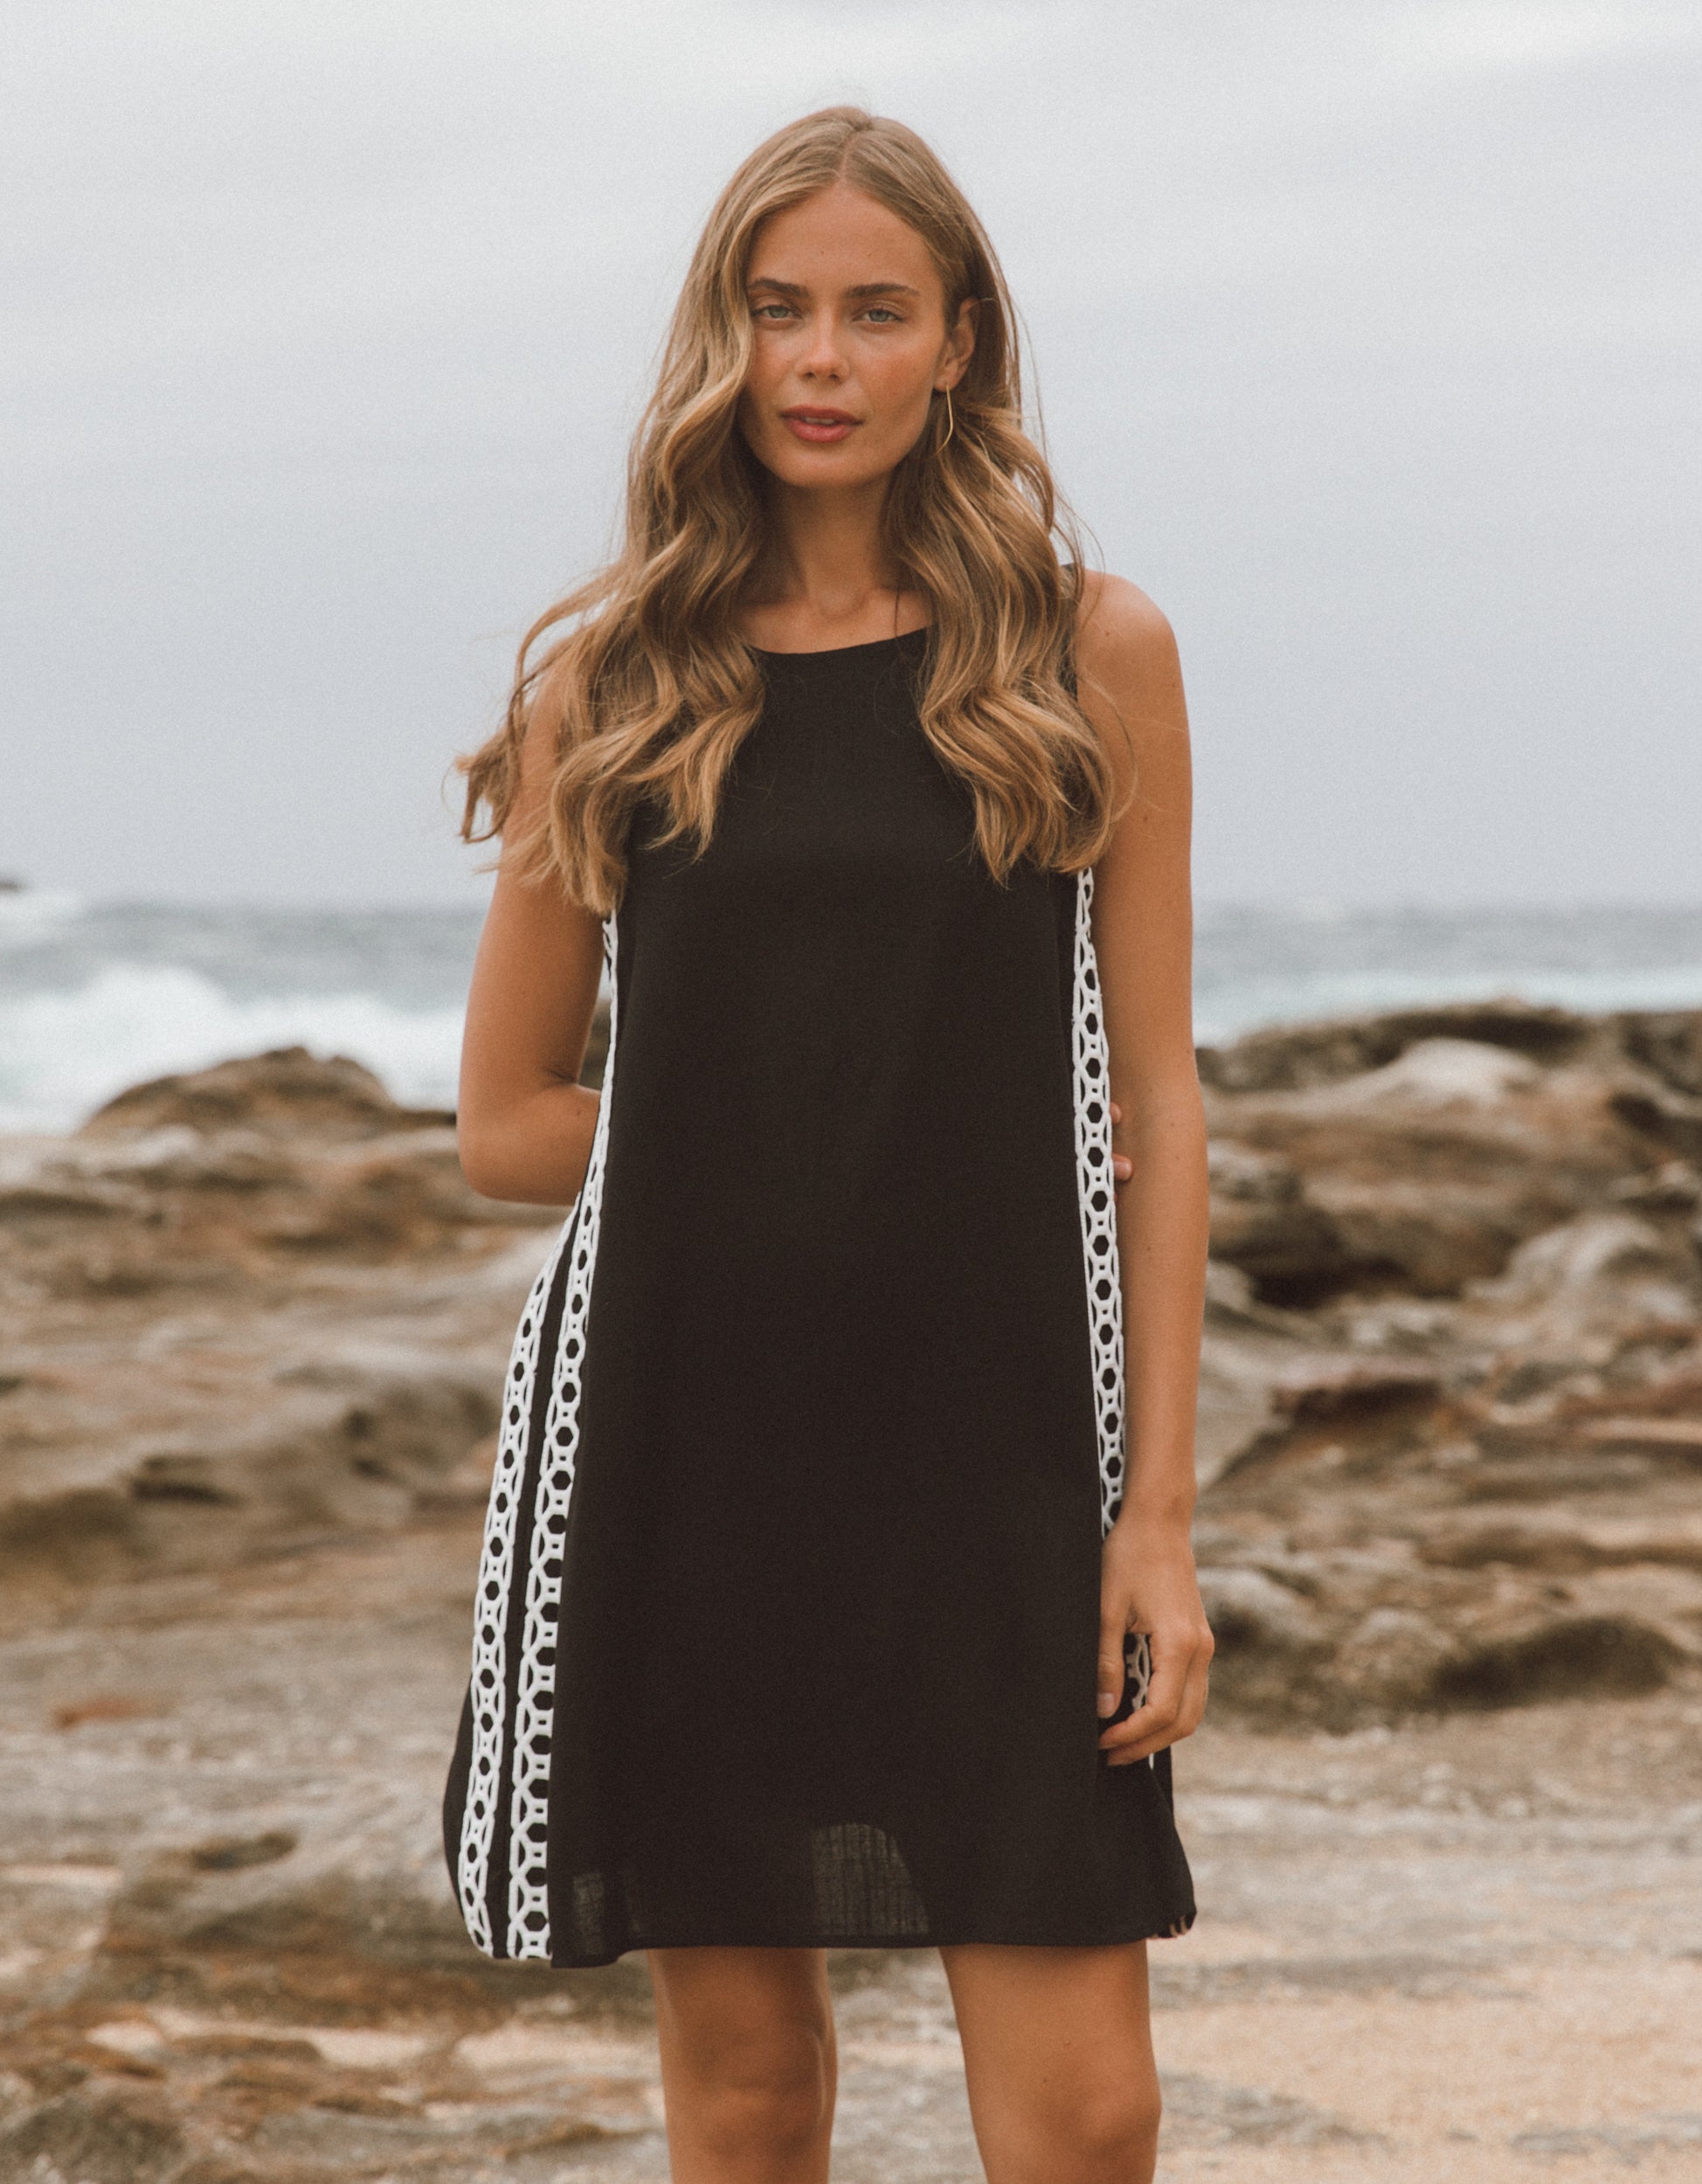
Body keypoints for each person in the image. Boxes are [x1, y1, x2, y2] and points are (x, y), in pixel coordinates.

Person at [441, 104, 1213, 2184]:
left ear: (957, 341)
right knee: (755, 2088)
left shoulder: (1086, 653)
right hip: (694, 1437)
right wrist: (759, 1115)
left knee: (1085, 2110)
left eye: (876, 312)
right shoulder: (615, 682)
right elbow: (503, 1124)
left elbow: (1152, 1103)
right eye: (777, 309)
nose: (819, 357)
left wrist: (1154, 1518)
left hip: (1000, 1450)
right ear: (721, 336)